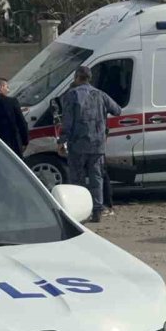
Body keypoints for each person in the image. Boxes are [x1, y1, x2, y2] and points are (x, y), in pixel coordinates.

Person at [56, 66, 122, 223]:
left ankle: (79, 210)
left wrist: (61, 141)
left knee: (77, 179)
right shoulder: (100, 94)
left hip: (77, 144)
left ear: (76, 77)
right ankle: (97, 210)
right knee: (96, 177)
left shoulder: (71, 95)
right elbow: (117, 110)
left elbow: (68, 121)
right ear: (89, 78)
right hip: (97, 144)